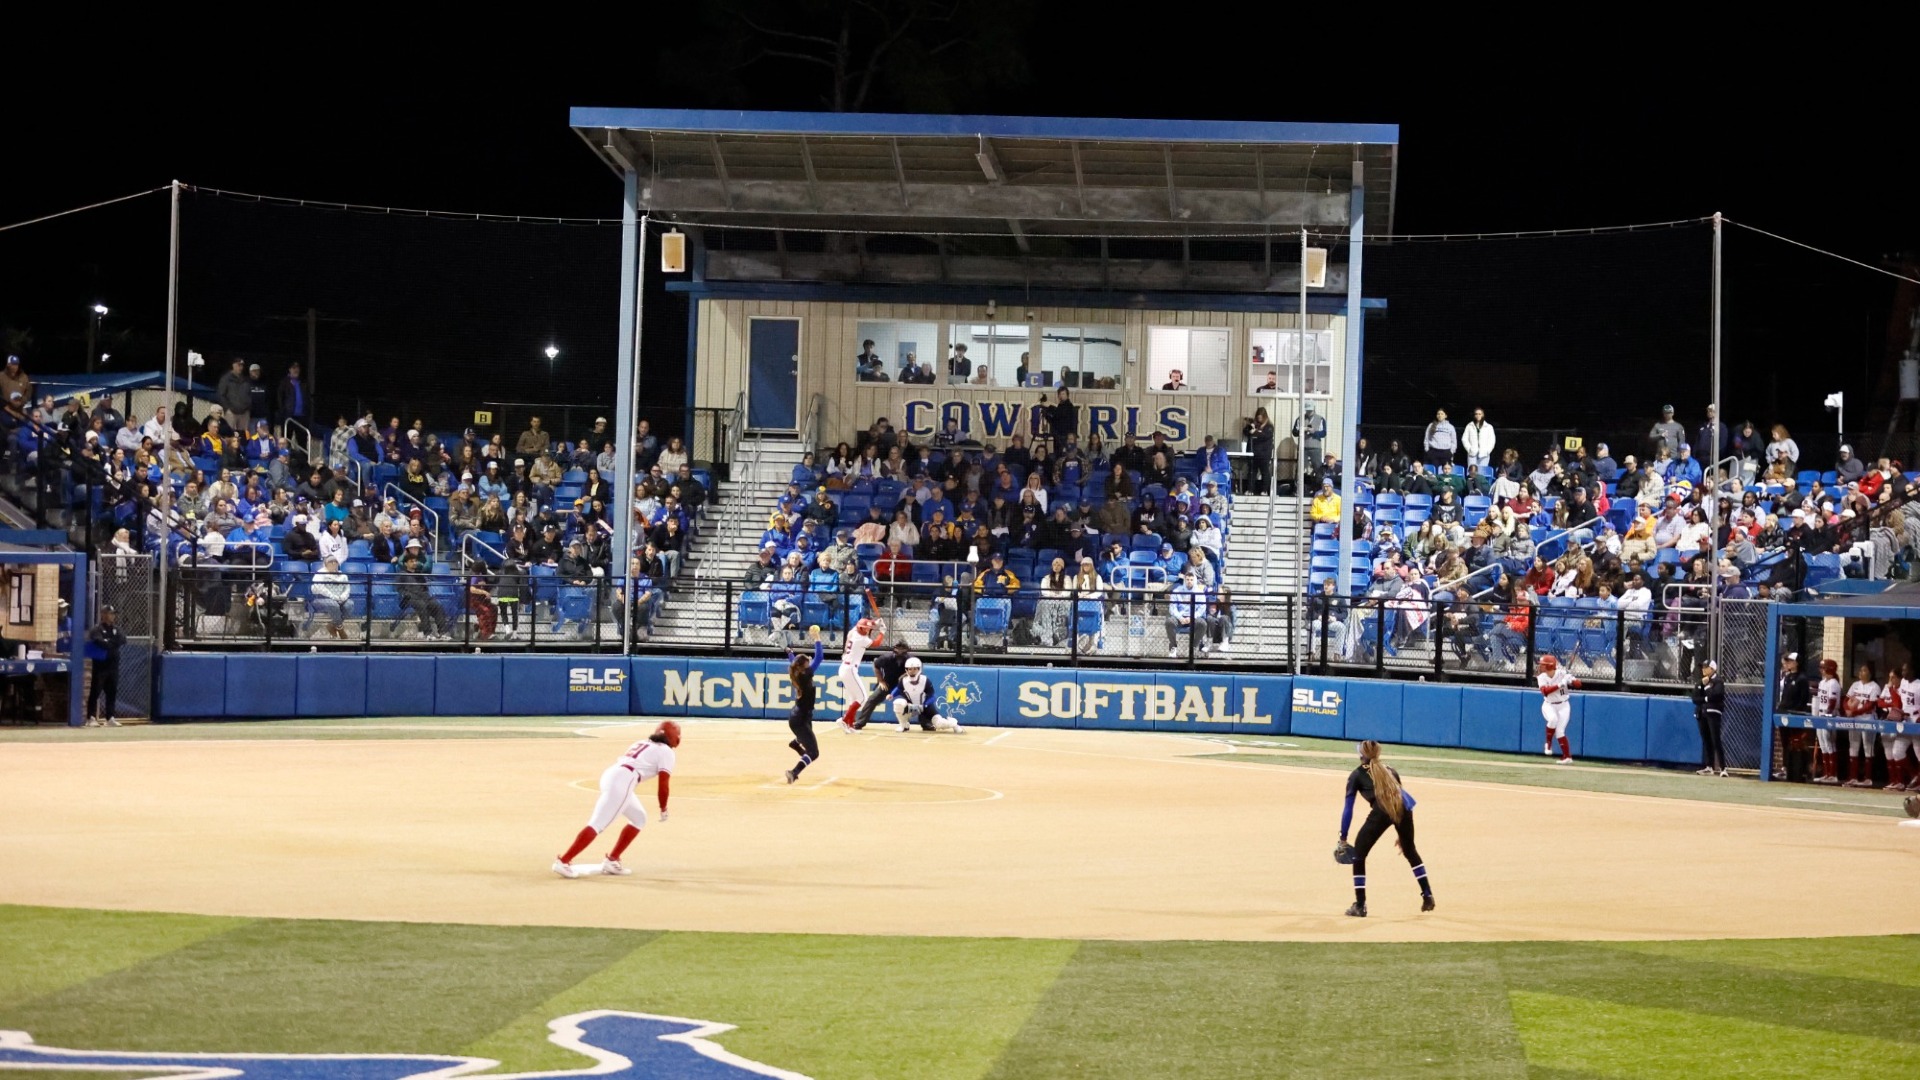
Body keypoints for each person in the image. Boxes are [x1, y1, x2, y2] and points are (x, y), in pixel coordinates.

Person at [552, 720, 678, 878]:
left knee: (639, 818)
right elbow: (664, 784)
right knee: (598, 823)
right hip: (624, 780)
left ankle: (612, 860)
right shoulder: (666, 751)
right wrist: (663, 807)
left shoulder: (643, 742)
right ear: (675, 737)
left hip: (612, 774)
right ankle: (564, 861)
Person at [1336, 740, 1434, 917]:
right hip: (1403, 810)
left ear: (1361, 755)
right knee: (1410, 850)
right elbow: (1401, 799)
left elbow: (1348, 809)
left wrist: (1343, 836)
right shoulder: (1391, 771)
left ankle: (1360, 905)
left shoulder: (1356, 775)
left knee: (1359, 854)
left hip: (1382, 811)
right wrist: (1402, 832)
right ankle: (1427, 894)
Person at [783, 630, 826, 784]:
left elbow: (793, 662)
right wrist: (817, 639)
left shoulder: (797, 671)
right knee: (814, 752)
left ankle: (796, 743)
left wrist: (789, 652)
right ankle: (793, 772)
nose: (810, 660)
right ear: (804, 666)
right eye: (807, 660)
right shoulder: (805, 674)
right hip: (800, 719)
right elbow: (820, 657)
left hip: (801, 716)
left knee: (808, 740)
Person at [834, 616, 886, 732]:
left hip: (844, 667)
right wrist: (882, 632)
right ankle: (844, 719)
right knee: (863, 698)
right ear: (861, 629)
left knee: (854, 699)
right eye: (865, 629)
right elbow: (876, 643)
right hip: (850, 669)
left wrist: (875, 623)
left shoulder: (853, 631)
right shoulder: (861, 639)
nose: (867, 631)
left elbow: (865, 625)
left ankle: (850, 724)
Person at [890, 656, 963, 733]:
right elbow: (898, 689)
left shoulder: (925, 680)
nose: (912, 671)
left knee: (939, 724)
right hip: (912, 707)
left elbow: (932, 696)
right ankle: (903, 726)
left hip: (926, 708)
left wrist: (925, 705)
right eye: (910, 669)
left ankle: (954, 723)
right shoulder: (903, 680)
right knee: (898, 703)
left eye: (915, 669)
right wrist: (892, 695)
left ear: (919, 669)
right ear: (906, 670)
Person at [852, 639, 913, 729]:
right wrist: (881, 681)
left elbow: (918, 669)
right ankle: (860, 722)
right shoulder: (886, 658)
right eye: (898, 649)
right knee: (872, 699)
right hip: (888, 683)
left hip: (905, 685)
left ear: (907, 650)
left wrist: (905, 675)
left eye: (902, 649)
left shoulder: (911, 659)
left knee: (917, 700)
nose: (900, 652)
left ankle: (926, 723)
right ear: (894, 650)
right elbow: (876, 666)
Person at [84, 605, 128, 727]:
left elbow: (122, 640)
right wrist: (110, 643)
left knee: (112, 692)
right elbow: (99, 642)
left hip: (113, 666)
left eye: (113, 613)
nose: (112, 616)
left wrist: (109, 642)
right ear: (103, 615)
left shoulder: (116, 629)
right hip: (100, 666)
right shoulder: (97, 629)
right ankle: (91, 717)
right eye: (110, 613)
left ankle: (110, 718)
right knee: (95, 691)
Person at [1842, 662, 1881, 788]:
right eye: (1860, 670)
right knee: (1853, 746)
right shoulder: (1855, 685)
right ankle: (1853, 777)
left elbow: (1870, 705)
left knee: (1867, 747)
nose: (1860, 672)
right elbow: (1846, 700)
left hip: (1868, 718)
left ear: (1870, 673)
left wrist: (1855, 711)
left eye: (1863, 670)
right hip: (1854, 718)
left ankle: (1868, 778)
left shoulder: (1874, 686)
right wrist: (1847, 709)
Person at [1811, 657, 1843, 784]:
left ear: (1829, 669)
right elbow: (1819, 699)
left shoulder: (1834, 683)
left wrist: (1828, 714)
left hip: (1830, 715)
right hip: (1821, 714)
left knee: (1830, 744)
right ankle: (1826, 773)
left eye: (1823, 668)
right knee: (1823, 745)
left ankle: (1833, 774)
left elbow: (1833, 701)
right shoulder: (1822, 682)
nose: (1821, 670)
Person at [1886, 664, 1917, 792]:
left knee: (1919, 753)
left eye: (1906, 669)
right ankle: (1915, 776)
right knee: (1897, 752)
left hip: (1916, 722)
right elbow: (1899, 700)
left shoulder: (1919, 685)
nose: (1903, 672)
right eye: (1903, 669)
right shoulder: (1903, 682)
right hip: (1905, 722)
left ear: (1912, 670)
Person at [1693, 659, 1727, 777]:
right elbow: (1695, 698)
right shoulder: (1701, 682)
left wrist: (1707, 692)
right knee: (1706, 740)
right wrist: (1705, 695)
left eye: (1706, 667)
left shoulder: (1718, 681)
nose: (1703, 669)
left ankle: (1723, 768)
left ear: (1712, 669)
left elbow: (1717, 695)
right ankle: (1709, 766)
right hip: (1702, 713)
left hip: (1713, 712)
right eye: (1702, 667)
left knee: (1715, 739)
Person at [1241, 408, 1275, 495]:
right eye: (1258, 418)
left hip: (1264, 453)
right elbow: (1245, 432)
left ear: (1264, 417)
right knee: (1252, 471)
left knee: (1264, 471)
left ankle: (1265, 490)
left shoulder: (1269, 427)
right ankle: (1250, 489)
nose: (1259, 420)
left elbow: (1265, 436)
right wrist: (1250, 426)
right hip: (1253, 452)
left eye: (1261, 418)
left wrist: (1256, 432)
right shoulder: (1255, 424)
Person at [1460, 408, 1495, 472]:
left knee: (1481, 472)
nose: (1478, 415)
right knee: (1471, 472)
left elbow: (1492, 441)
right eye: (1476, 414)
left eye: (1479, 414)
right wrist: (1469, 449)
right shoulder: (1469, 426)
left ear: (1483, 415)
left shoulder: (1489, 427)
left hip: (1484, 454)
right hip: (1472, 454)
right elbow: (1464, 439)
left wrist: (1487, 450)